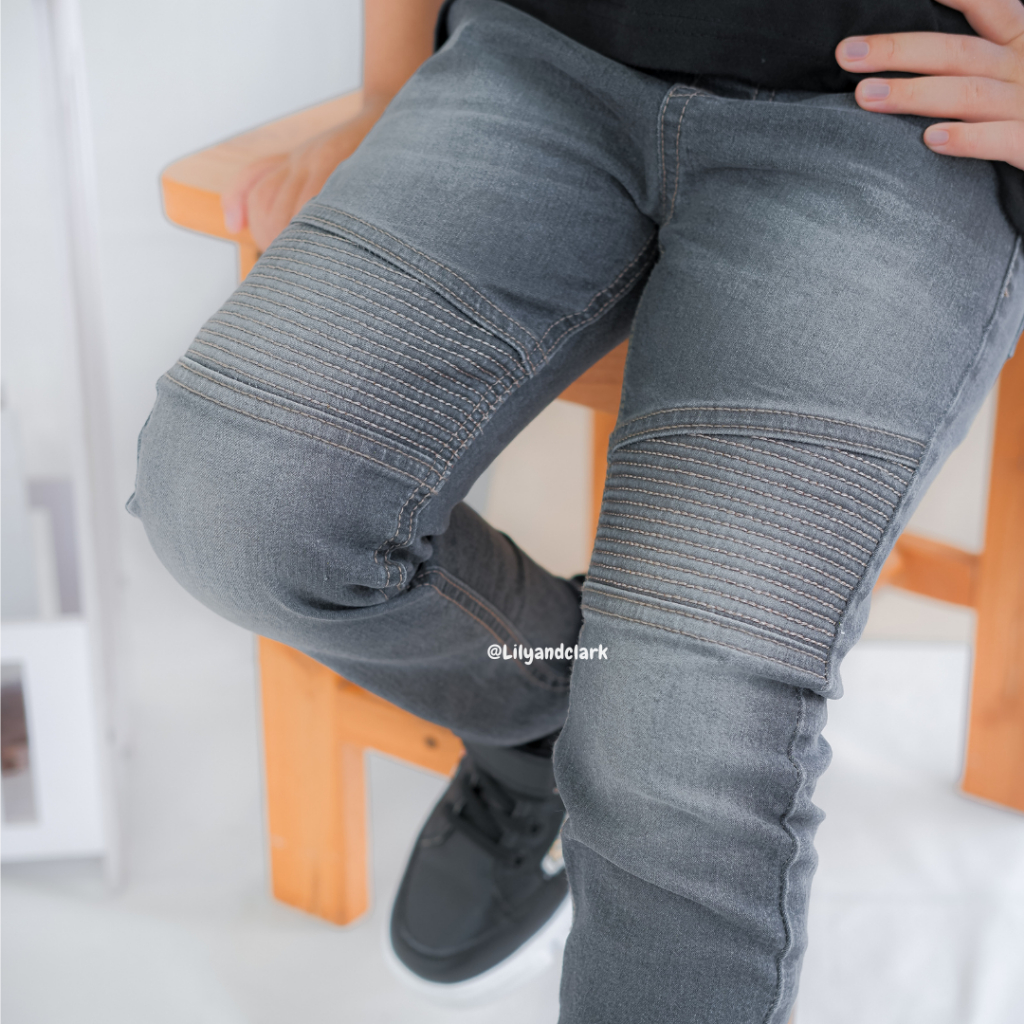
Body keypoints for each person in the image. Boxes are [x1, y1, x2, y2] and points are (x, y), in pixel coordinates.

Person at [130, 0, 1024, 1019]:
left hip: (899, 123)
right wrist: (383, 91)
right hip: (538, 53)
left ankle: (626, 708)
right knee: (235, 507)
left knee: (678, 754)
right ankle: (557, 707)